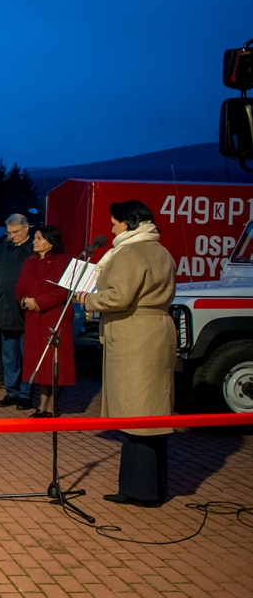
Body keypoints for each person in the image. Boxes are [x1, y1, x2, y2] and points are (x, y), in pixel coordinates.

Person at [76, 200, 176, 507]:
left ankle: (140, 490)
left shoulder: (131, 252)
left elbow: (119, 297)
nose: (111, 229)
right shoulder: (160, 250)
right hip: (154, 331)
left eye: (114, 223)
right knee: (149, 414)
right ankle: (147, 486)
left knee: (139, 416)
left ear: (127, 223)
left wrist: (88, 299)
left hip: (136, 336)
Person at [14, 225, 76, 417]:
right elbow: (20, 286)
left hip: (55, 317)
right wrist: (25, 300)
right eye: (35, 238)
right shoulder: (29, 262)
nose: (34, 241)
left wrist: (38, 303)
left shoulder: (64, 261)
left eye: (39, 238)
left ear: (51, 241)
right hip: (34, 319)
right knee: (38, 362)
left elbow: (63, 291)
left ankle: (52, 405)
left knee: (53, 362)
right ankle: (41, 404)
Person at [0, 214, 34, 409]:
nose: (12, 236)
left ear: (26, 228)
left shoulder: (34, 249)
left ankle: (26, 394)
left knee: (27, 355)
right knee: (9, 355)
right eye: (9, 233)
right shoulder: (2, 249)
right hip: (5, 308)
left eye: (15, 232)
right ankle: (11, 391)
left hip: (26, 311)